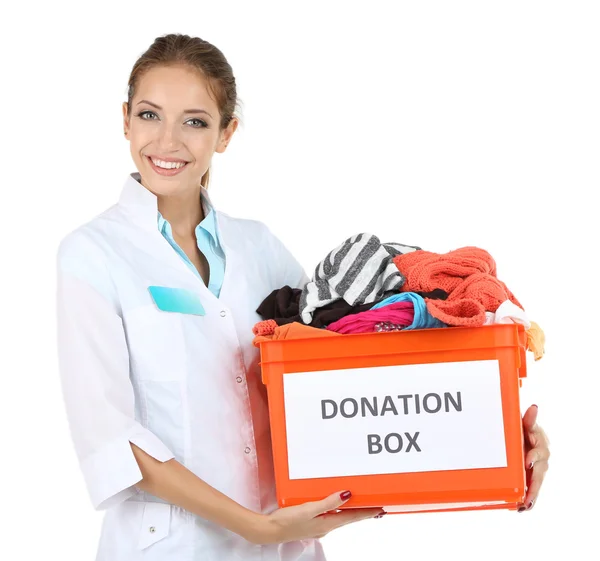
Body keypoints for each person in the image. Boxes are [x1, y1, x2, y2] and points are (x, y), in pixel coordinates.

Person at [55, 33, 550, 561]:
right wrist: (254, 527)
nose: (168, 140)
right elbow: (112, 439)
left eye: (195, 121)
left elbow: (344, 376)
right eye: (150, 115)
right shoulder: (92, 255)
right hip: (170, 547)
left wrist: (492, 436)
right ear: (125, 119)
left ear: (226, 133)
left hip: (286, 546)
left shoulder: (260, 247)